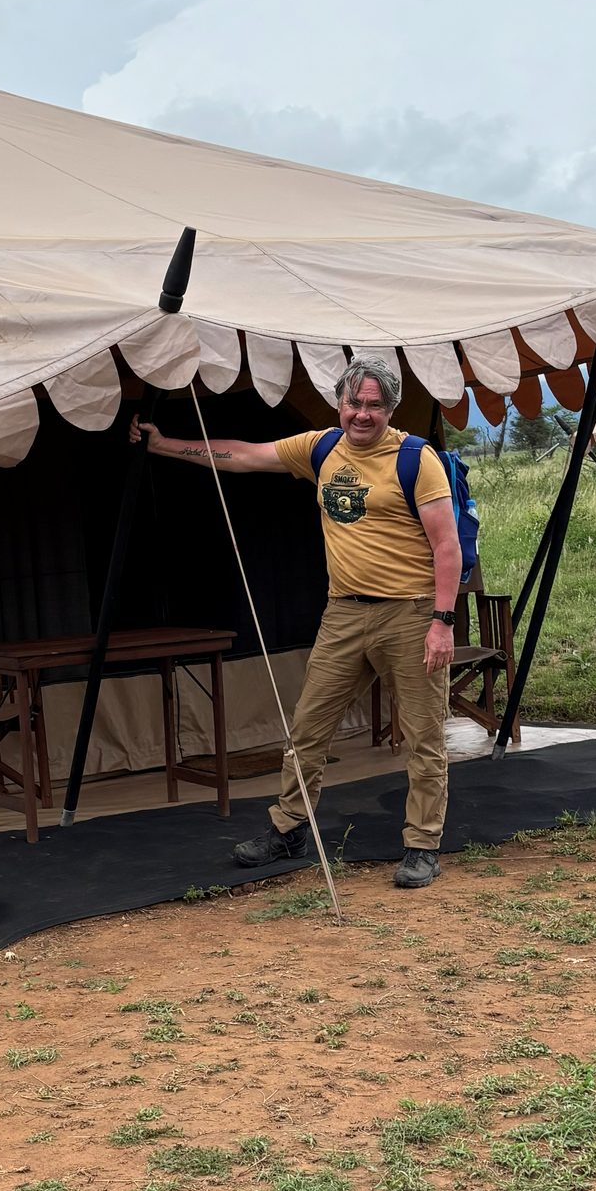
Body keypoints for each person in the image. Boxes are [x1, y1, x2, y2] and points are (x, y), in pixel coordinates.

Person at [132, 358, 461, 888]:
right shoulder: (322, 447)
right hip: (344, 613)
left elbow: (446, 545)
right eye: (354, 403)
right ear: (339, 404)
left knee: (422, 736)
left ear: (391, 408)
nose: (362, 414)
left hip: (410, 612)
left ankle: (422, 845)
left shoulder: (414, 459)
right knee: (307, 728)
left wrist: (442, 622)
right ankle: (288, 828)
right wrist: (165, 445)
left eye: (374, 405)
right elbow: (242, 456)